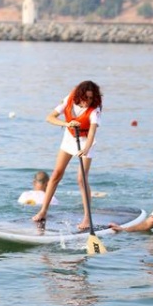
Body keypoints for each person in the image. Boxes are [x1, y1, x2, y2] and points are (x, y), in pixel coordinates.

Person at [32, 80, 103, 230]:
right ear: (79, 95)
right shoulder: (69, 99)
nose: (88, 101)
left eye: (91, 98)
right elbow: (50, 117)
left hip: (86, 141)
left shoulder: (95, 109)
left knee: (81, 179)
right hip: (70, 137)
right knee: (56, 174)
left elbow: (92, 132)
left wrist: (87, 148)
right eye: (86, 98)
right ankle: (43, 211)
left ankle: (87, 219)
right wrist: (67, 124)